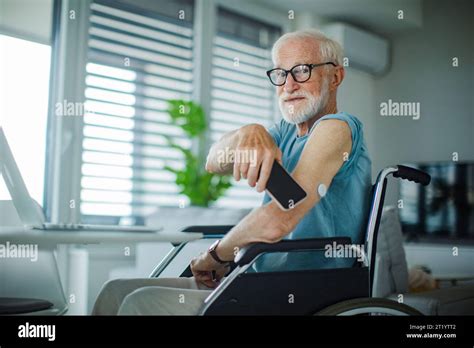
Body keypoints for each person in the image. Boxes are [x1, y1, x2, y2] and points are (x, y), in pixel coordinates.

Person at [92, 29, 372, 315]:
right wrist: (248, 132)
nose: (288, 85)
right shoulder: (286, 133)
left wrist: (215, 255)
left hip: (303, 289)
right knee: (114, 291)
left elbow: (280, 219)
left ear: (335, 77)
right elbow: (214, 163)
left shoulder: (337, 128)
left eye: (302, 71)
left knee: (140, 304)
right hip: (256, 278)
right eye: (280, 73)